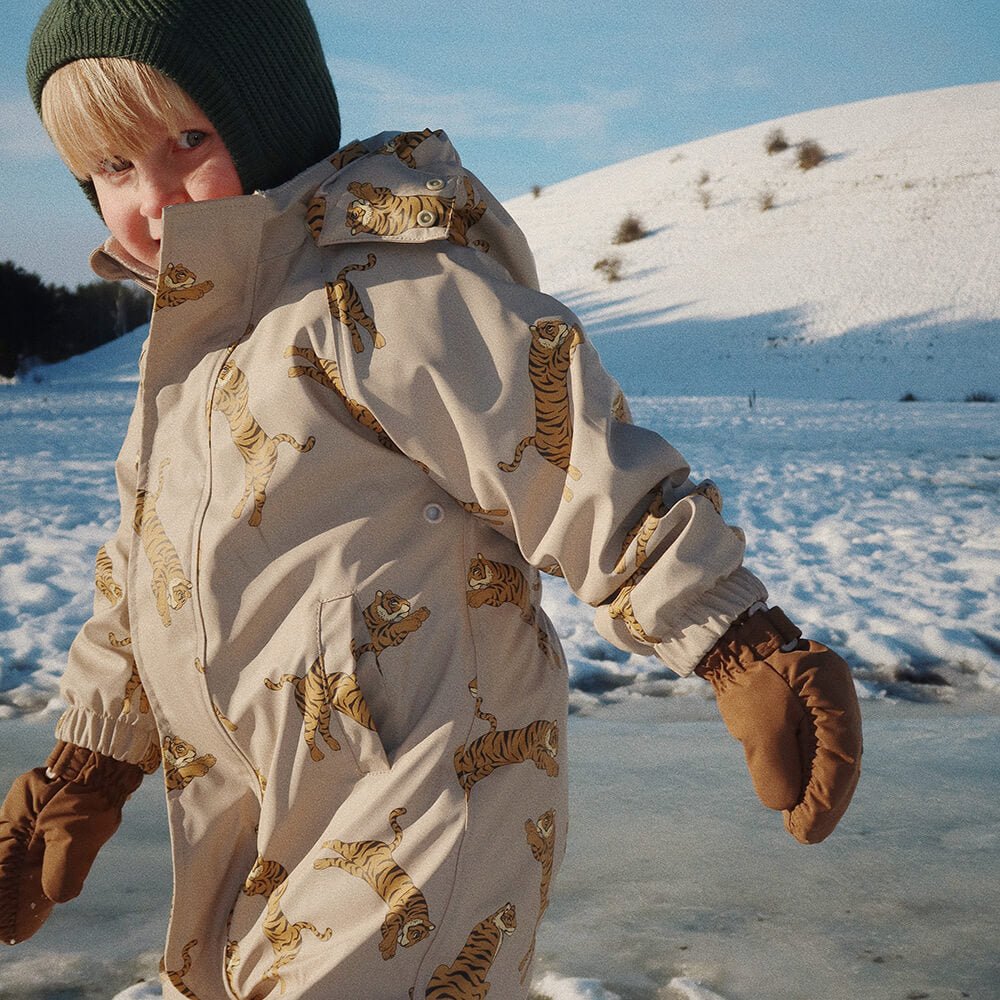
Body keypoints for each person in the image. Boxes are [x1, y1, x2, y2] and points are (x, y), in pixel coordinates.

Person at [0, 1, 862, 996]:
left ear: (268, 113)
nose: (151, 202)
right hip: (261, 807)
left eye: (187, 142)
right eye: (113, 170)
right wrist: (89, 768)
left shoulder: (384, 281)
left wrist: (733, 638)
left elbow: (565, 454)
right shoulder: (186, 362)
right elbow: (145, 579)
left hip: (433, 787)